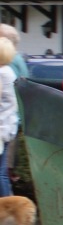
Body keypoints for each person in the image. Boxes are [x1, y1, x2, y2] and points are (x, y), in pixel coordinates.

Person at [0, 38, 17, 197]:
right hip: (8, 126)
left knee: (0, 173)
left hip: (1, 128)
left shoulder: (1, 73)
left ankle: (5, 206)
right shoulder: (9, 71)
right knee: (2, 171)